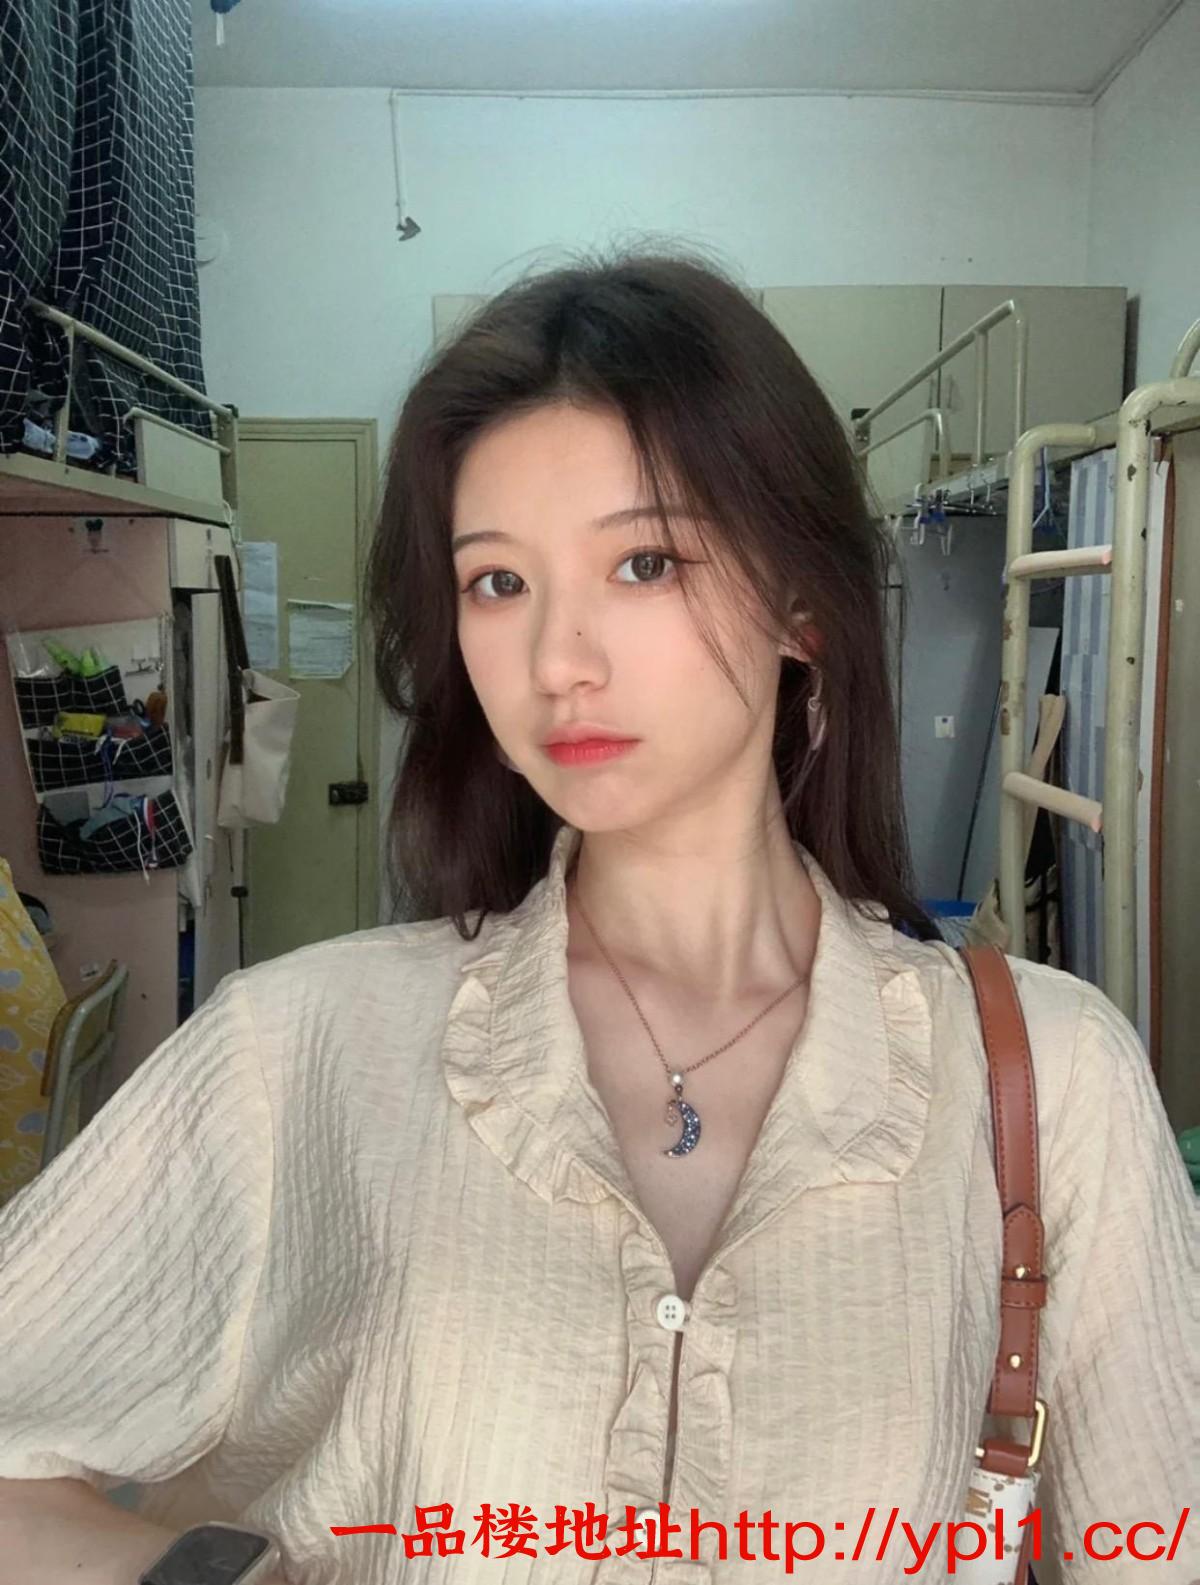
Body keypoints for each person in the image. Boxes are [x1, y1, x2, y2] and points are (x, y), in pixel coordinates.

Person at [0, 247, 1195, 1585]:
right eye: (498, 582)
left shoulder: (1051, 1083)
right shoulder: (299, 1054)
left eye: (644, 561)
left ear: (802, 602)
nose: (557, 659)